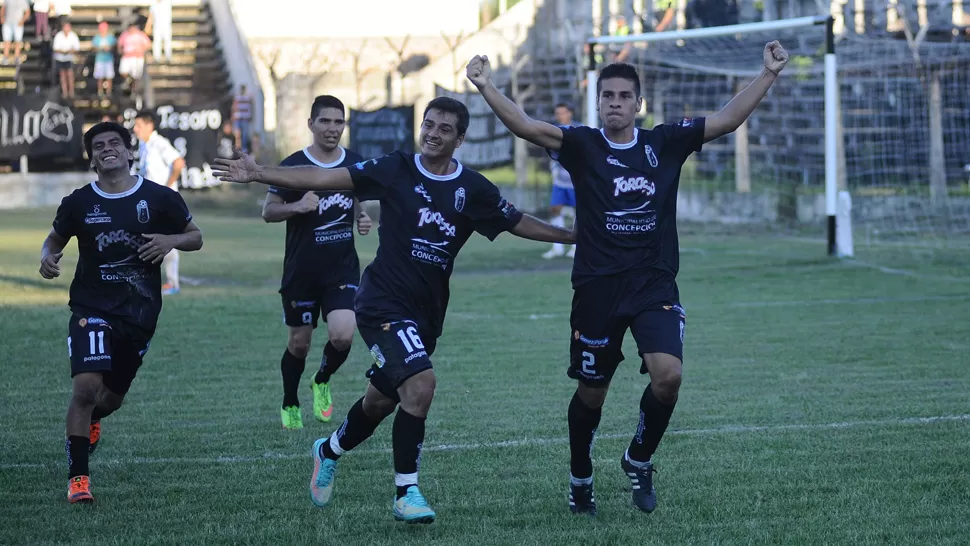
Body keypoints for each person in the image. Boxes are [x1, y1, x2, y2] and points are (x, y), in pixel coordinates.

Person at [213, 96, 575, 524]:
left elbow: (517, 220)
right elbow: (326, 177)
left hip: (427, 313)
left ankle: (328, 449)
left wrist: (573, 238)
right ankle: (407, 492)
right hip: (381, 301)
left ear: (460, 139)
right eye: (428, 124)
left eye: (444, 129)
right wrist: (259, 173)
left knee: (379, 403)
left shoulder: (473, 189)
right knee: (421, 385)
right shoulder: (396, 169)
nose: (432, 133)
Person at [466, 42, 789, 515]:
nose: (615, 103)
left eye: (623, 96)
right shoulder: (582, 145)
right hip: (597, 287)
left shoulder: (665, 142)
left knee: (669, 376)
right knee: (592, 393)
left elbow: (725, 121)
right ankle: (580, 476)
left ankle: (638, 457)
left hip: (653, 283)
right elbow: (526, 126)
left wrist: (768, 74)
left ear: (639, 104)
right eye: (607, 96)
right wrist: (487, 86)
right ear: (598, 103)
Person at [39, 121, 203, 504]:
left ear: (131, 153)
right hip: (91, 306)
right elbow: (54, 239)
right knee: (85, 388)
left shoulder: (159, 198)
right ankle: (79, 478)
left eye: (116, 143)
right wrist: (47, 257)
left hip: (139, 313)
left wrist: (170, 240)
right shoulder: (79, 202)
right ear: (92, 158)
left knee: (110, 399)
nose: (108, 148)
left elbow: (196, 236)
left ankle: (94, 421)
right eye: (99, 145)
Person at [262, 95, 373, 429]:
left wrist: (362, 217)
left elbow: (356, 198)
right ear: (310, 124)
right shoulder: (293, 164)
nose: (332, 128)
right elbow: (268, 211)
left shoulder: (355, 163)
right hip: (301, 272)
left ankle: (322, 379)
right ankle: (290, 399)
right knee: (299, 343)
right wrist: (296, 207)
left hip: (341, 269)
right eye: (325, 121)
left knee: (343, 336)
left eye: (339, 122)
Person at [132, 109, 186, 295]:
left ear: (149, 126)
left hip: (164, 202)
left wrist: (167, 188)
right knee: (146, 238)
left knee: (164, 240)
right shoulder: (144, 145)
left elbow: (179, 162)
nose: (135, 129)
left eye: (139, 125)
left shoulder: (159, 143)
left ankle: (172, 283)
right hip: (151, 201)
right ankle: (149, 278)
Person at [542, 102, 577, 260]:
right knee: (555, 209)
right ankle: (557, 247)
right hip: (560, 180)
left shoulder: (579, 129)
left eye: (563, 112)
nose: (560, 116)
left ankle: (577, 246)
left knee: (580, 212)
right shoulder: (553, 131)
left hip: (575, 180)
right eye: (557, 113)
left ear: (570, 113)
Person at [51, 20, 78, 98]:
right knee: (62, 75)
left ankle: (71, 92)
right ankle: (65, 92)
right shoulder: (58, 36)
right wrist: (62, 51)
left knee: (70, 75)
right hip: (60, 58)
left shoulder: (73, 36)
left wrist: (70, 51)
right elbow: (55, 48)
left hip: (69, 58)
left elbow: (76, 48)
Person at [91, 21, 116, 97]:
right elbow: (93, 48)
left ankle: (109, 92)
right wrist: (100, 48)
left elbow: (114, 46)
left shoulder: (110, 37)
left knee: (109, 77)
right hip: (99, 59)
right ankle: (100, 92)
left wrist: (108, 48)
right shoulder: (97, 38)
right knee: (99, 77)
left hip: (108, 59)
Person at [231, 84, 253, 152]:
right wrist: (233, 116)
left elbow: (251, 107)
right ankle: (237, 148)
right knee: (237, 135)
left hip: (245, 119)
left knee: (244, 135)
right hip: (238, 119)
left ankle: (244, 149)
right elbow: (234, 107)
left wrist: (251, 117)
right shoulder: (237, 97)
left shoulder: (248, 97)